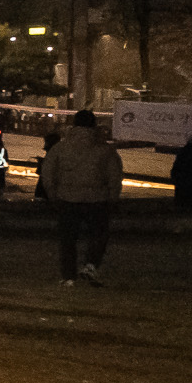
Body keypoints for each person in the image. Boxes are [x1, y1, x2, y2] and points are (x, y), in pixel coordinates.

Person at [39, 109, 124, 287]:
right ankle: (91, 265)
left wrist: (53, 194)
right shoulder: (105, 150)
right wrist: (112, 197)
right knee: (98, 235)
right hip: (97, 199)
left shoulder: (61, 148)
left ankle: (69, 276)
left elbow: (48, 173)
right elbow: (114, 176)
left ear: (74, 125)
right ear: (94, 125)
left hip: (67, 198)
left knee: (67, 239)